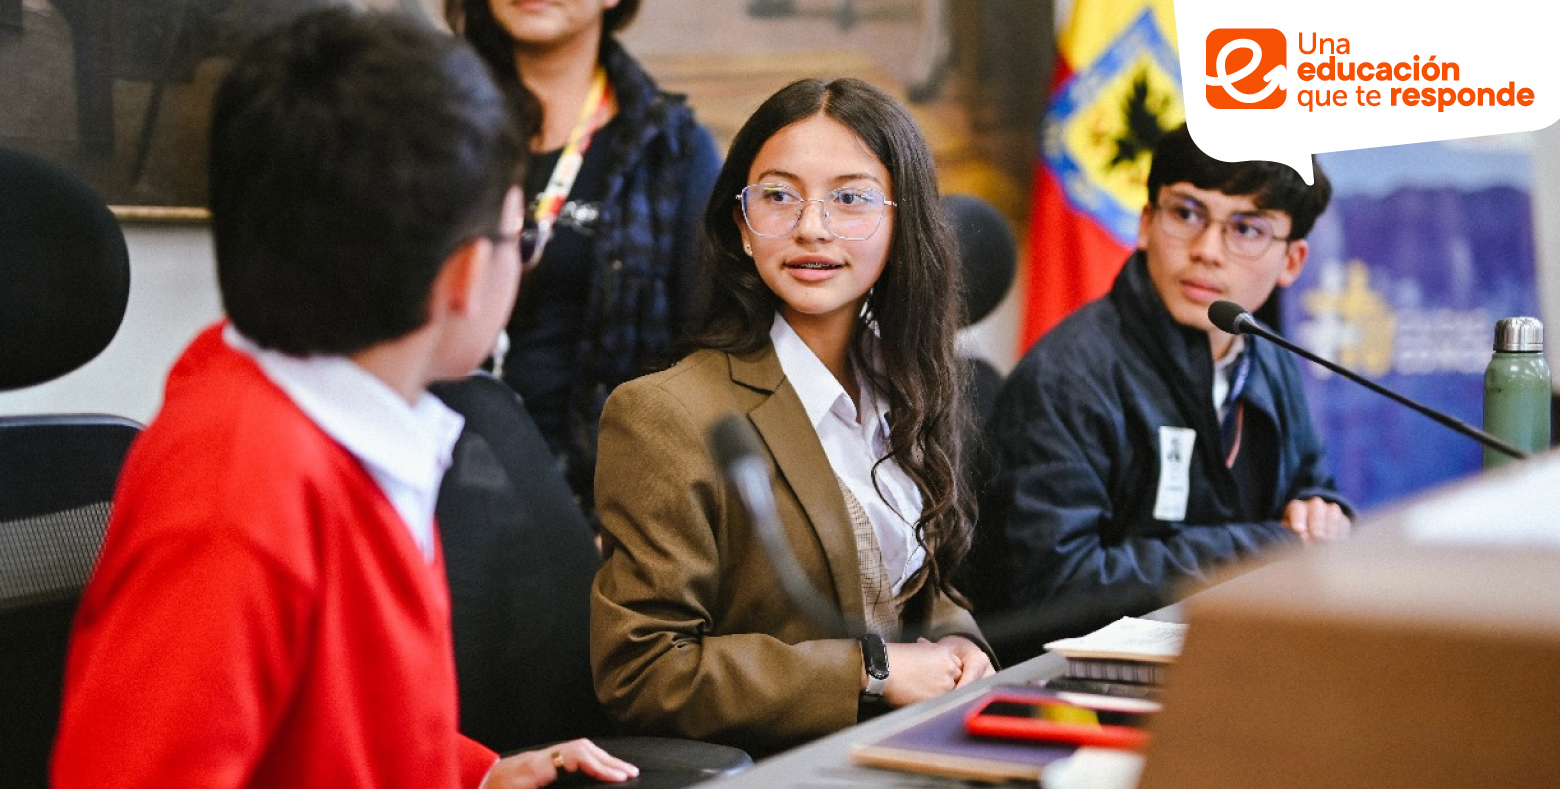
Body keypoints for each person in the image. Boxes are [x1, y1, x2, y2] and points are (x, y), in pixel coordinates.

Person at [51, 10, 636, 788]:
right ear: (465, 275)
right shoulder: (236, 492)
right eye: (519, 239)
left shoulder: (349, 430)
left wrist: (476, 772)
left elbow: (334, 725)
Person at [589, 77, 995, 757]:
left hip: (915, 747)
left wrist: (959, 643)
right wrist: (870, 670)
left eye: (850, 198)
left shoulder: (908, 383)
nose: (812, 226)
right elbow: (642, 671)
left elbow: (908, 584)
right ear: (741, 227)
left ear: (902, 224)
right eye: (778, 195)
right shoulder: (664, 413)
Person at [975, 124, 1353, 653]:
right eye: (1186, 214)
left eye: (1246, 229)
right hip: (1071, 693)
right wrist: (1267, 544)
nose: (1207, 251)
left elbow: (1309, 487)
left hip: (1225, 659)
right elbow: (1053, 588)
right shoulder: (1068, 377)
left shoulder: (1269, 356)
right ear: (1147, 223)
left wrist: (1322, 510)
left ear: (1292, 261)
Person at [453, 0, 721, 517]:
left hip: (595, 509)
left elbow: (707, 360)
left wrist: (637, 520)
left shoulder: (670, 150)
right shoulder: (425, 123)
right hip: (431, 486)